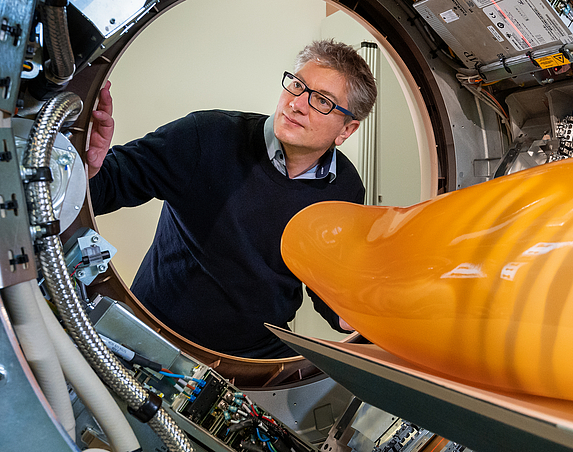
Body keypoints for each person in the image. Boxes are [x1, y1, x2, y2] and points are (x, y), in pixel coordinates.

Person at [85, 40, 376, 358]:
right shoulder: (206, 136)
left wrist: (349, 315)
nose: (297, 104)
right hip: (157, 333)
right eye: (297, 85)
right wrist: (88, 165)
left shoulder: (345, 189)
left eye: (321, 101)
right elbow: (108, 185)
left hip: (255, 353)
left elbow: (324, 282)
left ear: (346, 130)